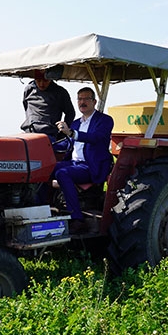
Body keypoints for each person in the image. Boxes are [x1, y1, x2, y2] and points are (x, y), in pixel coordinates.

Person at [53, 87, 114, 234]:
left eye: (86, 99)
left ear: (94, 101)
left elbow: (94, 138)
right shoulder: (75, 123)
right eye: (79, 99)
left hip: (91, 165)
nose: (82, 102)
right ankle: (43, 209)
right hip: (74, 163)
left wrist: (71, 133)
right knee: (44, 169)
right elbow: (68, 144)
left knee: (63, 173)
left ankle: (77, 219)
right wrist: (46, 144)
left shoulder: (104, 120)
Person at [21, 69, 76, 140]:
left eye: (45, 81)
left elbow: (70, 112)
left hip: (49, 135)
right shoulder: (29, 89)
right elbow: (26, 107)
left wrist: (63, 132)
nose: (41, 84)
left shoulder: (60, 92)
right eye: (38, 80)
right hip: (29, 133)